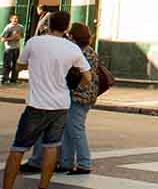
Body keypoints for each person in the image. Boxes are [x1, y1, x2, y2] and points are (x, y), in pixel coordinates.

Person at [3, 11, 90, 189]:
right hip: (60, 105)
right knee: (52, 147)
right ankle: (43, 186)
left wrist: (31, 65)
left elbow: (19, 66)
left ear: (48, 24)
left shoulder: (34, 42)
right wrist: (76, 87)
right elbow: (87, 76)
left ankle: (7, 186)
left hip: (36, 104)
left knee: (18, 147)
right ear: (66, 27)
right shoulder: (72, 48)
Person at [23, 23, 98, 176]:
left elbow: (79, 75)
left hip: (76, 95)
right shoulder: (89, 50)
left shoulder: (74, 50)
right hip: (84, 96)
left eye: (70, 34)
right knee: (68, 131)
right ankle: (65, 162)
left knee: (75, 130)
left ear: (72, 36)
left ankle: (84, 163)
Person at [1, 16, 22, 84]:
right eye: (14, 18)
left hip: (17, 48)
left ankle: (14, 79)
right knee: (7, 64)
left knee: (15, 65)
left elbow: (22, 35)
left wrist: (19, 37)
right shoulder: (8, 27)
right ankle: (5, 79)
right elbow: (2, 39)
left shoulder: (20, 27)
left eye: (17, 18)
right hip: (9, 49)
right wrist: (12, 38)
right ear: (11, 20)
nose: (16, 19)